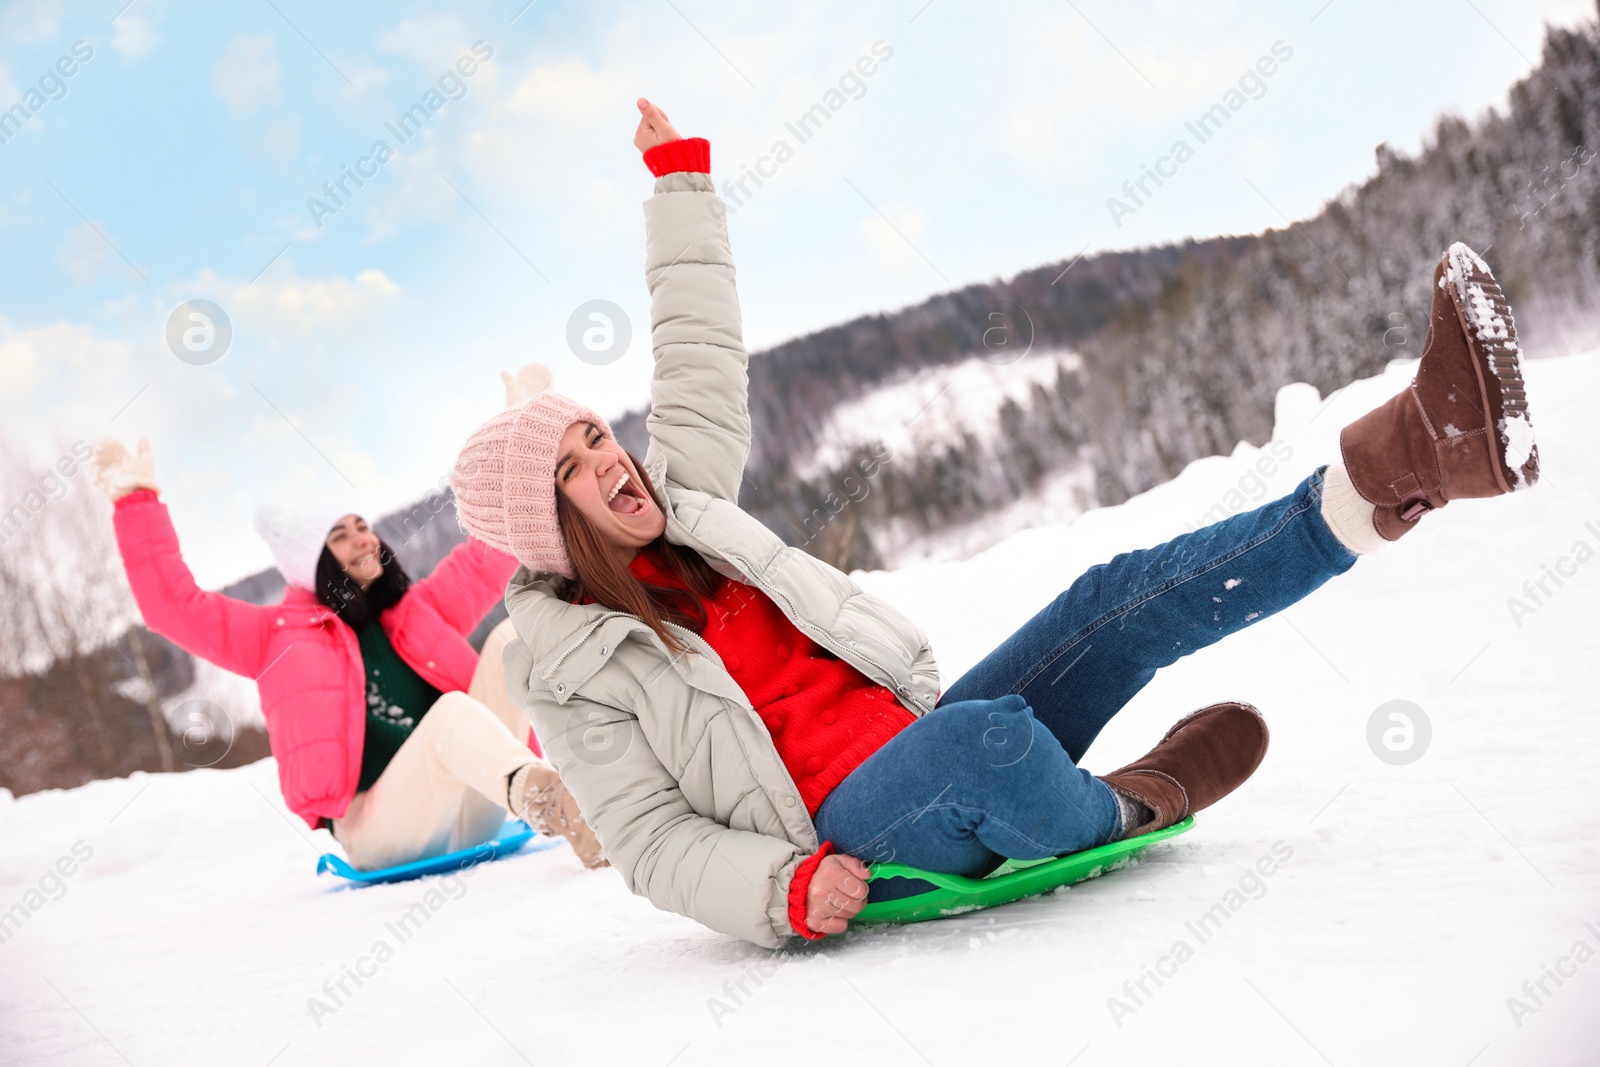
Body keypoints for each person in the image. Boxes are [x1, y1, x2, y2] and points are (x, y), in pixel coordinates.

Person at [446, 99, 1541, 948]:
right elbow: (649, 842)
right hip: (842, 828)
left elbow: (695, 353)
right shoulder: (567, 659)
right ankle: (1129, 800)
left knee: (1106, 600)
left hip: (908, 733)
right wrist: (778, 888)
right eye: (573, 467)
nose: (611, 461)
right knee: (986, 740)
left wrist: (678, 182)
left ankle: (1406, 461)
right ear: (547, 526)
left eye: (599, 434)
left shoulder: (687, 503)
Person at [93, 365, 607, 871]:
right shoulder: (276, 640)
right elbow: (175, 607)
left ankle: (597, 773)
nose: (365, 537)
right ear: (313, 563)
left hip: (470, 805)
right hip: (378, 831)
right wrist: (135, 501)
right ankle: (558, 803)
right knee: (449, 712)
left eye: (363, 526)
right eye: (341, 535)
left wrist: (523, 431)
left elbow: (493, 544)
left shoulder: (415, 614)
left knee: (512, 639)